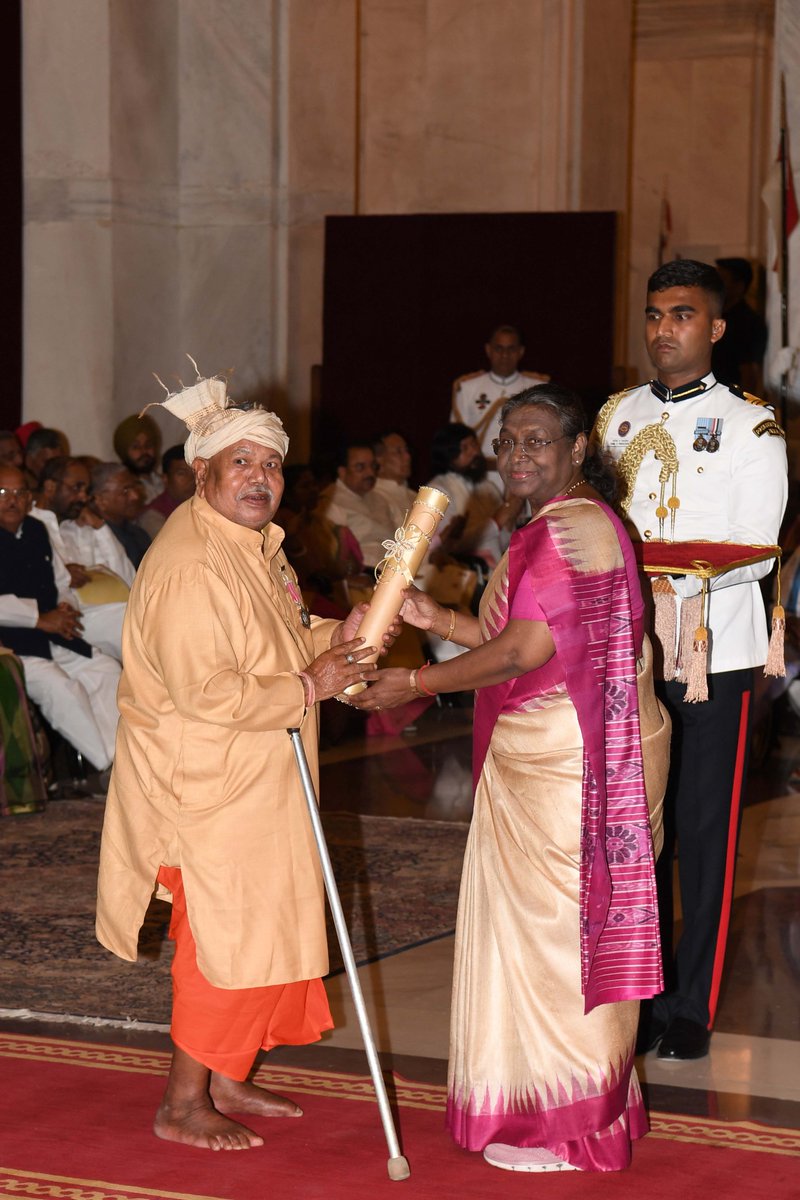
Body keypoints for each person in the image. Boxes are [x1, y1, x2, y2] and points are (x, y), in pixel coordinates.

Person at [350, 384, 669, 1173]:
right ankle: (590, 1106)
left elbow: (527, 654)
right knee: (563, 932)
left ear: (577, 450)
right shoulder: (583, 523)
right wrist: (437, 621)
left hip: (562, 760)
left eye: (537, 442)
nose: (519, 456)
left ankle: (564, 1124)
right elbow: (526, 636)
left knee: (553, 942)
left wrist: (416, 685)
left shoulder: (564, 532)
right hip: (584, 744)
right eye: (509, 443)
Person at [96, 369, 389, 1153]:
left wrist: (341, 637)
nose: (260, 479)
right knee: (223, 943)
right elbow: (206, 692)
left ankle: (227, 1076)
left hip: (257, 777)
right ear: (203, 473)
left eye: (270, 465)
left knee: (263, 928)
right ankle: (181, 1102)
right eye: (242, 464)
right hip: (205, 790)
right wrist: (310, 683)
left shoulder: (252, 545)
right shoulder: (192, 562)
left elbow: (283, 636)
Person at [594, 259, 787, 1060]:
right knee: (636, 828)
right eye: (652, 313)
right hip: (627, 648)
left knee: (704, 832)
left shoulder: (751, 425)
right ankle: (634, 995)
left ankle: (689, 1008)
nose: (662, 328)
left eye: (681, 314)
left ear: (714, 327)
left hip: (715, 653)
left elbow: (757, 545)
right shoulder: (614, 416)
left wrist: (662, 570)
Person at [0, 464, 120, 775]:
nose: (11, 500)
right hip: (11, 648)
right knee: (62, 689)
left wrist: (64, 609)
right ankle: (106, 764)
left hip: (53, 636)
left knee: (106, 669)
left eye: (18, 493)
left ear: (29, 498)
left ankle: (123, 760)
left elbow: (61, 582)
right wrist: (38, 619)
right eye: (2, 493)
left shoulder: (37, 530)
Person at [30, 457, 128, 661]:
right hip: (59, 619)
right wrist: (63, 575)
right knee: (130, 620)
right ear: (50, 487)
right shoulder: (27, 525)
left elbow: (128, 579)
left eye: (86, 489)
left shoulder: (76, 527)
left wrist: (99, 526)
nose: (83, 497)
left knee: (144, 612)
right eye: (77, 488)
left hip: (99, 613)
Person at [451, 324, 549, 484]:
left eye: (511, 349)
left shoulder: (537, 387)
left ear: (521, 352)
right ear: (488, 350)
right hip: (480, 478)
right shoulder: (468, 388)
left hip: (526, 474)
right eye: (499, 349)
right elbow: (455, 439)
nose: (505, 355)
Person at [315, 442, 395, 568]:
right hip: (363, 572)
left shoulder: (380, 499)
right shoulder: (330, 502)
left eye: (373, 466)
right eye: (360, 467)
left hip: (395, 567)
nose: (370, 473)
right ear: (342, 472)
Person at [712, 257, 767, 394]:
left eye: (723, 279)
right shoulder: (713, 315)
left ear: (739, 286)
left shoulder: (748, 322)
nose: (715, 286)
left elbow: (749, 374)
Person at [83, 462, 152, 569]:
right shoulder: (91, 541)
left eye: (135, 487)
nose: (135, 496)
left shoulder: (138, 534)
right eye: (125, 491)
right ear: (100, 500)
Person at [137, 443, 196, 539]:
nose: (192, 479)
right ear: (165, 479)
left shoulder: (205, 503)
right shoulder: (153, 516)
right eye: (182, 473)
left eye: (195, 472)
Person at [113, 412, 164, 503]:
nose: (144, 451)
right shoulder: (123, 489)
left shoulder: (163, 481)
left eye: (148, 445)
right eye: (136, 447)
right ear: (124, 451)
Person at [373, 430, 416, 529]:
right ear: (379, 459)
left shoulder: (415, 497)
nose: (407, 457)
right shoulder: (374, 497)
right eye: (398, 452)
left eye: (406, 450)